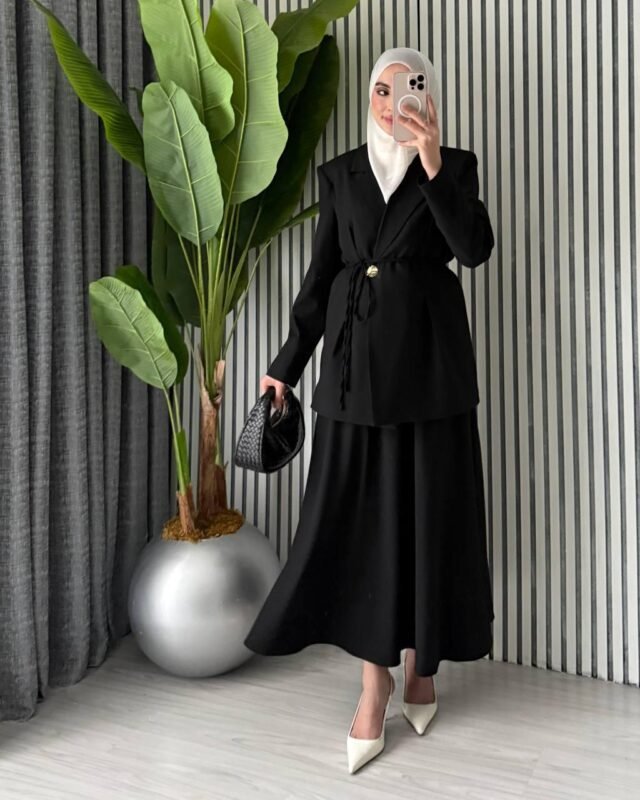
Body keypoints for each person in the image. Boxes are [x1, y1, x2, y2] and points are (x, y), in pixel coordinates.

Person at [243, 46, 495, 774]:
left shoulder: (456, 166)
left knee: (428, 522)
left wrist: (433, 163)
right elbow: (321, 278)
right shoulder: (341, 174)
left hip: (431, 376)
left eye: (407, 89)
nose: (392, 104)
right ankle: (373, 682)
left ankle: (422, 666)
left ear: (428, 95)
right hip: (354, 378)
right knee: (359, 530)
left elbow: (474, 250)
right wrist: (285, 366)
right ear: (370, 96)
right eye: (381, 91)